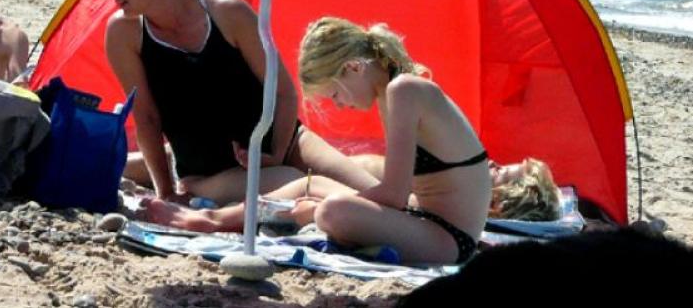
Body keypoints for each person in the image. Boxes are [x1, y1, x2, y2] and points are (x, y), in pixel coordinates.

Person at [144, 17, 561, 265]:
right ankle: (213, 220)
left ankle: (213, 219)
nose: (341, 106)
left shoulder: (403, 92)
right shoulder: (396, 92)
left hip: (449, 240)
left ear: (354, 69)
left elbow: (395, 196)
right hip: (430, 221)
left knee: (333, 209)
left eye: (336, 95)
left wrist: (317, 211)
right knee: (317, 191)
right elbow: (400, 196)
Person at [100, 0, 374, 205]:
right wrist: (167, 193)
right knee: (314, 188)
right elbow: (146, 118)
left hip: (286, 141)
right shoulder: (124, 34)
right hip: (212, 172)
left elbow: (283, 92)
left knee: (373, 191)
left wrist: (276, 154)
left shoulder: (228, 13)